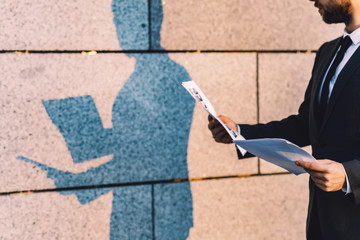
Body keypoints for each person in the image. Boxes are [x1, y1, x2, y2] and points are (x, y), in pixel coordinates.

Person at [208, 0, 360, 239]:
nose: (313, 0)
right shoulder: (327, 52)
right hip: (323, 221)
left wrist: (349, 175)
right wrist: (239, 134)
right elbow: (306, 126)